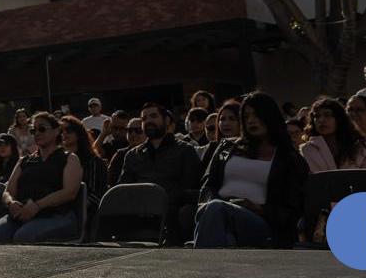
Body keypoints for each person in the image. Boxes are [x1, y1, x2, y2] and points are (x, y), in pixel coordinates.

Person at [194, 93, 308, 248]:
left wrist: (258, 208)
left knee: (216, 209)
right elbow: (208, 186)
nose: (251, 120)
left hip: (263, 224)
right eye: (246, 116)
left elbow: (293, 211)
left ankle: (202, 267)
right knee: (225, 236)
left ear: (270, 117)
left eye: (257, 115)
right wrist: (213, 205)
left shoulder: (289, 159)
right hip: (220, 213)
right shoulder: (226, 148)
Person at [0, 112, 83, 244]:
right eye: (33, 130)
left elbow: (69, 192)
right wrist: (11, 203)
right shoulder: (24, 161)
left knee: (24, 236)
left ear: (56, 131)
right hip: (21, 215)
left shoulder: (69, 158)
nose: (37, 133)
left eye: (42, 129)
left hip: (56, 215)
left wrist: (37, 206)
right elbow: (7, 192)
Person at [117, 103, 201, 244]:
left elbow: (192, 190)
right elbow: (123, 189)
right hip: (138, 212)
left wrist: (165, 199)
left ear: (167, 121)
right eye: (144, 118)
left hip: (172, 212)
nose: (148, 121)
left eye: (154, 116)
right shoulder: (132, 155)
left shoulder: (185, 151)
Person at [299, 98, 366, 173]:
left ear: (339, 119)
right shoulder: (307, 150)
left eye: (327, 115)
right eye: (317, 116)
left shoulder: (359, 148)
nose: (321, 120)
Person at [58, 115, 107, 223]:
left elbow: (96, 195)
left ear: (79, 133)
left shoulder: (94, 162)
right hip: (56, 212)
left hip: (82, 216)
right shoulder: (57, 161)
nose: (64, 133)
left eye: (68, 130)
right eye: (60, 130)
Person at [200, 100, 242, 171]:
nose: (226, 123)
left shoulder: (251, 147)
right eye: (222, 119)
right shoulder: (213, 148)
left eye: (232, 119)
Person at [107, 117, 145, 185]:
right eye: (129, 130)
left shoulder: (155, 153)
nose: (133, 134)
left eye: (138, 130)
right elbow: (111, 181)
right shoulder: (120, 154)